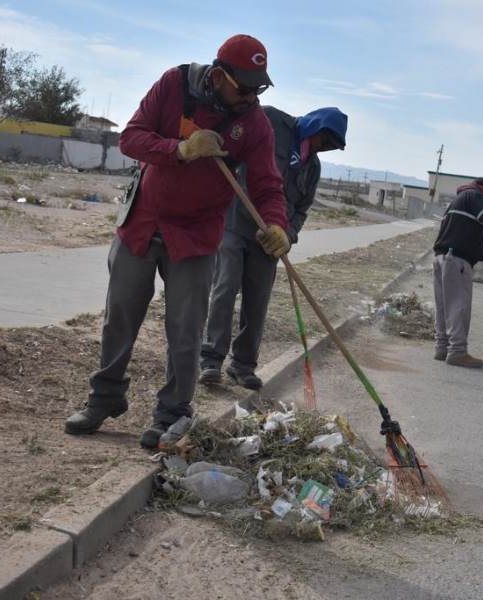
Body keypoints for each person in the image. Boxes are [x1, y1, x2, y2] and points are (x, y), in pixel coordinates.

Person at [64, 34, 290, 448]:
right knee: (120, 316)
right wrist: (181, 149)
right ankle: (105, 397)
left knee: (185, 330)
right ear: (219, 76)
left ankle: (172, 412)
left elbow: (267, 185)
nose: (252, 97)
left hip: (196, 235)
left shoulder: (255, 124)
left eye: (259, 89)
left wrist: (277, 225)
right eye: (245, 88)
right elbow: (131, 138)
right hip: (143, 221)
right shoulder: (175, 84)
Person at [200, 106, 348, 389]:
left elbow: (301, 209)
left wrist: (288, 235)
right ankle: (211, 360)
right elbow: (235, 141)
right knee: (225, 288)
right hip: (236, 222)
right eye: (325, 140)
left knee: (257, 300)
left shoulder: (312, 168)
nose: (325, 147)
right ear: (316, 126)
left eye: (331, 146)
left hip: (271, 240)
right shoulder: (270, 120)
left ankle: (243, 365)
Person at [432, 177, 483, 368]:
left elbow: (470, 241)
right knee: (458, 306)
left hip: (442, 258)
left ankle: (442, 348)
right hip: (456, 261)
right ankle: (457, 352)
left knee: (444, 306)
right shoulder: (474, 195)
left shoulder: (460, 201)